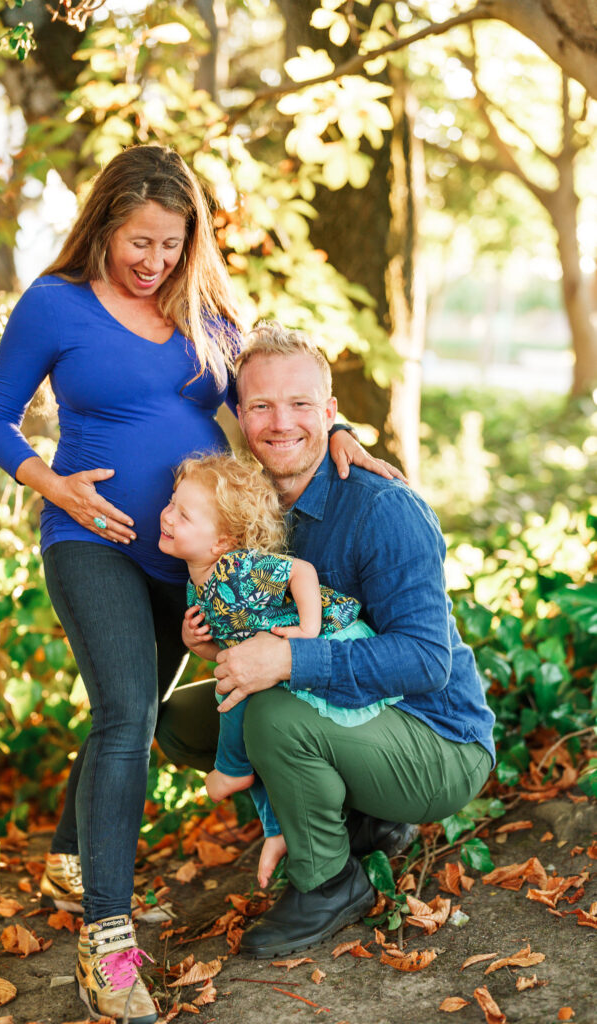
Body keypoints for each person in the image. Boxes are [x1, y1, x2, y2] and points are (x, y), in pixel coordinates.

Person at [0, 144, 403, 1023]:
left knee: (129, 706)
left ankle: (71, 859)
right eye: (140, 242)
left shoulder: (206, 310)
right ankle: (108, 942)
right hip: (88, 536)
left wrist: (342, 430)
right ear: (103, 226)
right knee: (127, 711)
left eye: (171, 244)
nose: (154, 261)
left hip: (190, 556)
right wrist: (48, 482)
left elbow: (270, 387)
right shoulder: (56, 303)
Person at [157, 320, 496, 960]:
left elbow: (426, 660)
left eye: (301, 405)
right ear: (240, 414)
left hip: (438, 738)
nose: (281, 422)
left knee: (274, 710)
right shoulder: (251, 505)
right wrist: (204, 637)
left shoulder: (381, 508)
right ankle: (349, 821)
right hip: (354, 717)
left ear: (330, 413)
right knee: (183, 721)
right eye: (260, 405)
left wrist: (288, 657)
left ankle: (330, 884)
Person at [158, 452, 403, 887]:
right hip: (271, 666)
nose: (167, 515)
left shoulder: (240, 568)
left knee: (235, 702)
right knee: (236, 695)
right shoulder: (197, 580)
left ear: (221, 541)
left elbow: (301, 571)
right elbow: (230, 652)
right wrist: (197, 643)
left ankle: (233, 770)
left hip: (327, 644)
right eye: (172, 502)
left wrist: (307, 629)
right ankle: (275, 828)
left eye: (183, 513)